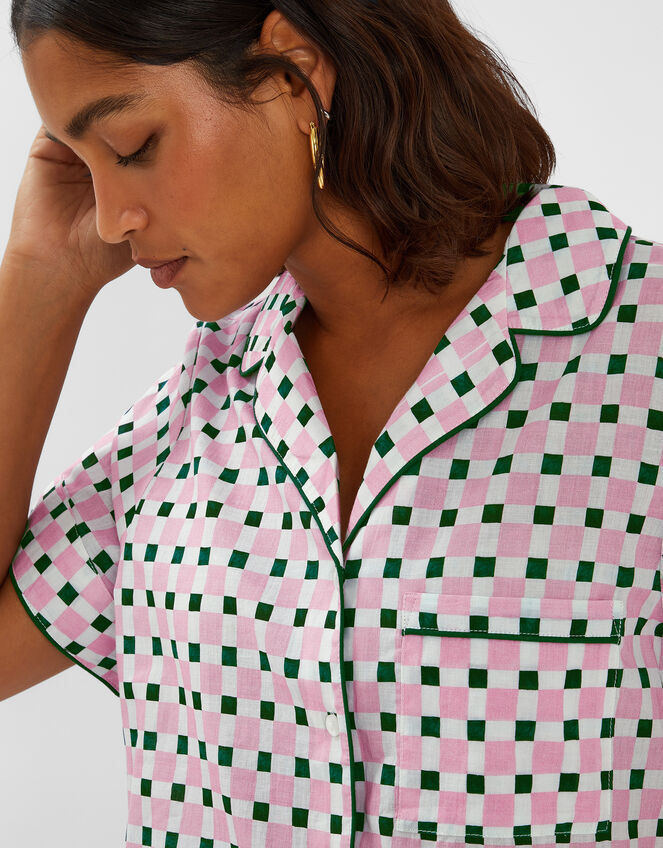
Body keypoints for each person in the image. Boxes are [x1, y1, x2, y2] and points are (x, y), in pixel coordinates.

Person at [0, 1, 661, 847]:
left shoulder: (639, 351)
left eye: (131, 147)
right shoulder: (199, 409)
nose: (108, 217)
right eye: (82, 163)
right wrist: (40, 278)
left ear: (293, 74)